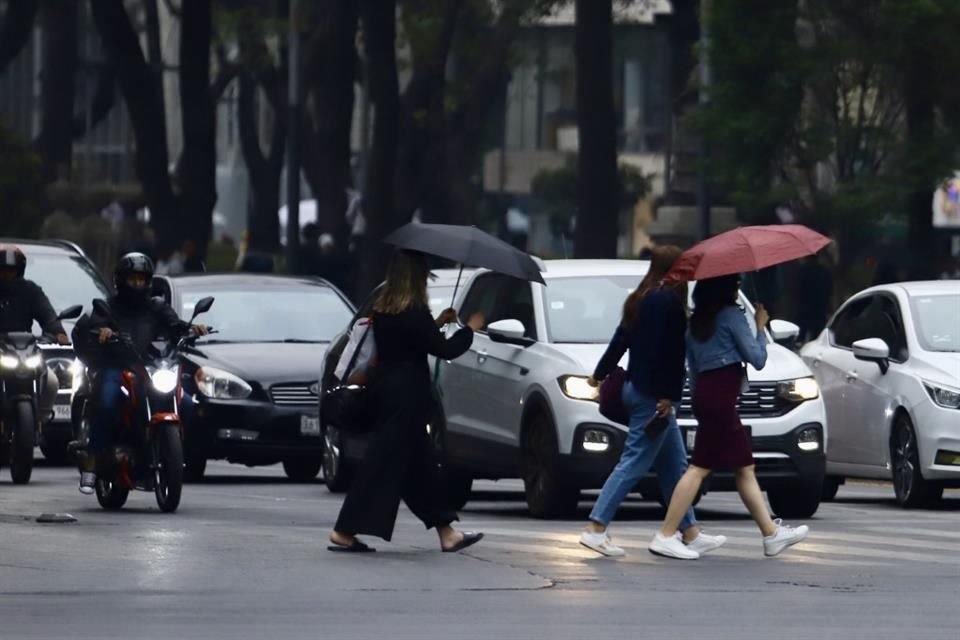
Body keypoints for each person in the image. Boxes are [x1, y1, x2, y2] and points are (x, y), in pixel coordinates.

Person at [329, 249, 485, 553]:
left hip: (387, 393)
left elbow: (411, 341)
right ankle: (343, 531)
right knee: (380, 465)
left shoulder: (385, 308)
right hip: (406, 398)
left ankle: (447, 531)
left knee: (421, 467)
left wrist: (438, 321)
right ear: (416, 279)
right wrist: (470, 330)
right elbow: (444, 350)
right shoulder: (414, 311)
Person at [579, 246, 726, 558]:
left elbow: (621, 339)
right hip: (652, 396)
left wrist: (598, 375)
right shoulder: (669, 302)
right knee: (633, 462)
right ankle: (595, 527)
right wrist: (668, 396)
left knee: (675, 465)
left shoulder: (642, 297)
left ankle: (690, 531)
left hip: (636, 387)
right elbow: (669, 355)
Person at [651, 274, 809, 560]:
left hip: (707, 398)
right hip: (722, 399)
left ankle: (770, 533)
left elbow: (695, 371)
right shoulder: (731, 316)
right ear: (725, 289)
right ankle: (665, 534)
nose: (738, 289)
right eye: (735, 285)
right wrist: (760, 327)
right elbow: (758, 359)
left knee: (743, 467)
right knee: (700, 468)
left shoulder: (695, 323)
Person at [72, 253, 209, 494]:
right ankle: (93, 462)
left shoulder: (157, 306)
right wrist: (102, 330)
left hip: (150, 367)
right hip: (117, 366)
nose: (137, 284)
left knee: (187, 404)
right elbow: (97, 322)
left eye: (141, 279)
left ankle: (169, 453)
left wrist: (192, 329)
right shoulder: (108, 306)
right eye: (132, 279)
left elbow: (174, 325)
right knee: (106, 399)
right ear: (121, 280)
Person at [0, 245, 70, 424]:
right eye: (4, 271)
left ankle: (40, 419)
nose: (8, 276)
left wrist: (57, 331)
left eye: (12, 272)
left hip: (23, 350)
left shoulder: (30, 290)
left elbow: (47, 313)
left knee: (52, 381)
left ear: (20, 271)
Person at [795, 251, 834, 343]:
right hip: (820, 309)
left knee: (801, 335)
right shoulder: (825, 271)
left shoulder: (803, 271)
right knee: (817, 337)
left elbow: (799, 290)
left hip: (805, 308)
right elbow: (829, 291)